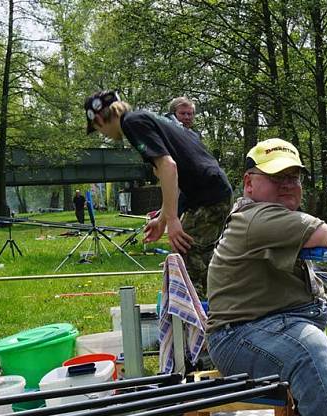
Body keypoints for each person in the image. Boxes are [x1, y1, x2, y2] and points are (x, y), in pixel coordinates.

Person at [205, 138, 327, 416]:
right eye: (275, 177)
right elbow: (310, 226)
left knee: (306, 336)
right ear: (249, 183)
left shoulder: (271, 220)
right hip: (238, 337)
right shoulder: (255, 217)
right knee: (307, 347)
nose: (287, 184)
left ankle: (313, 399)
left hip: (261, 326)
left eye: (293, 178)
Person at [84, 90, 233, 297]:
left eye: (98, 130)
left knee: (187, 266)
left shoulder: (132, 123)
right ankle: (211, 315)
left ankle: (197, 324)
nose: (104, 135)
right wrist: (163, 219)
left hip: (209, 197)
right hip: (209, 193)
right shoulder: (145, 118)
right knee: (195, 263)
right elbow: (173, 173)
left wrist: (172, 219)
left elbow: (168, 167)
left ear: (99, 119)